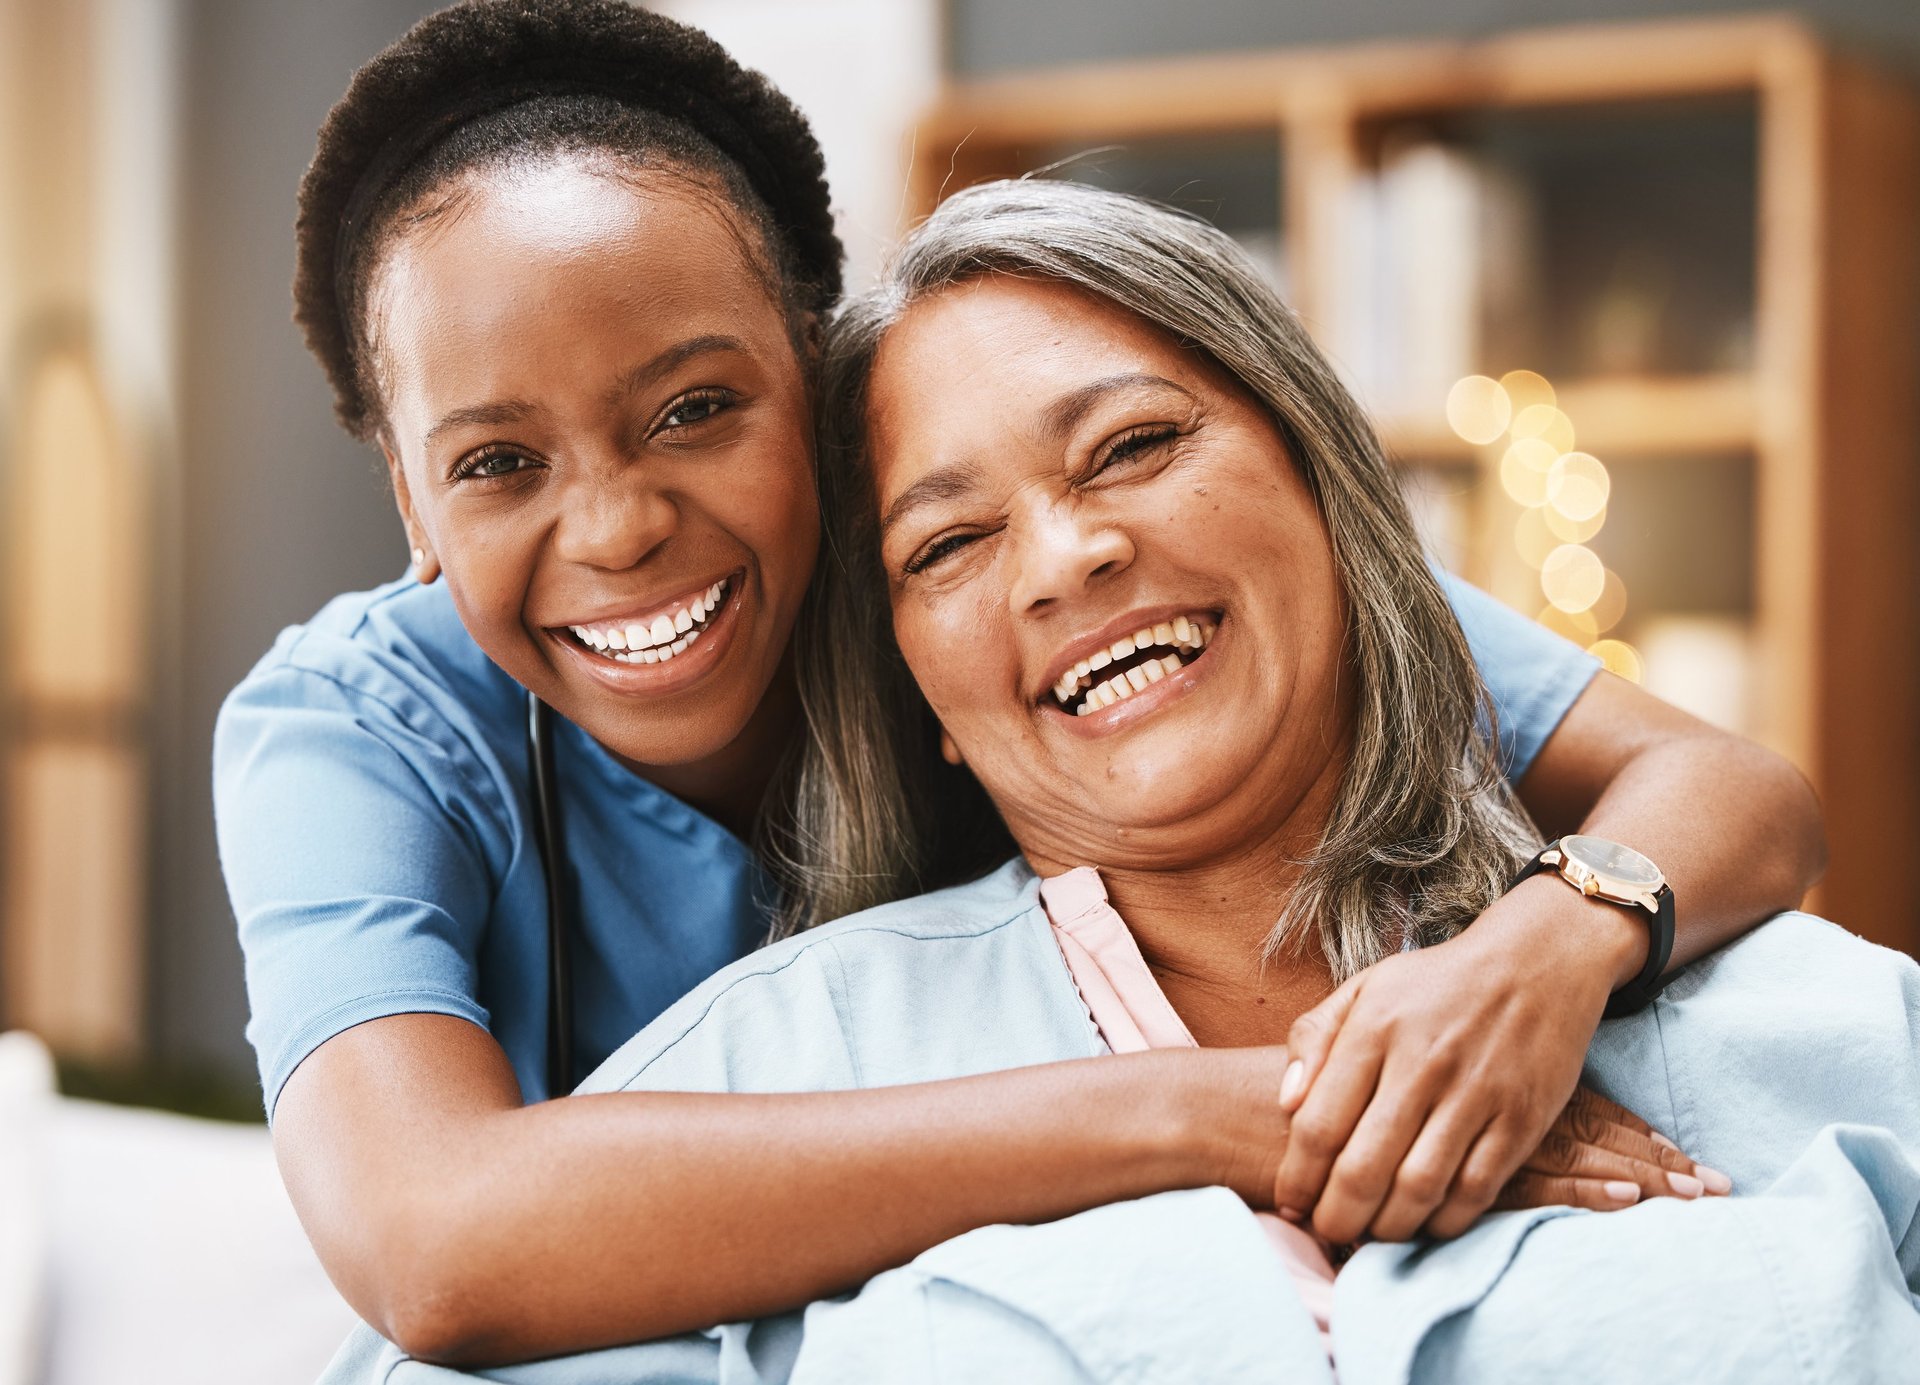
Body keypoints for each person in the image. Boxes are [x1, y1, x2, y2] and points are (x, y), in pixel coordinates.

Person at [218, 0, 1823, 1366]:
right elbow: (432, 1237)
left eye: (696, 410)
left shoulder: (1022, 561)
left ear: (816, 369)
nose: (623, 523)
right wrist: (1234, 1115)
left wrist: (1539, 955)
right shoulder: (358, 731)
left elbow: (1730, 789)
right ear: (410, 504)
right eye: (496, 461)